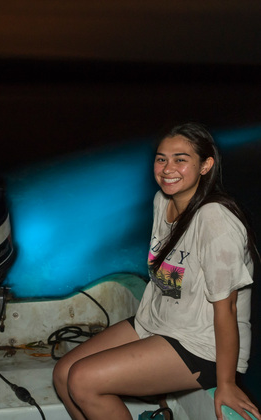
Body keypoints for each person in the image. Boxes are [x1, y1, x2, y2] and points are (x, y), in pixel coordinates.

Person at [53, 122, 260, 420]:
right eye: (161, 158)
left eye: (180, 159)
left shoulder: (215, 221)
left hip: (202, 343)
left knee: (83, 380)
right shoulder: (162, 202)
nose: (167, 168)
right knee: (63, 373)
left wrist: (226, 383)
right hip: (160, 323)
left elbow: (226, 308)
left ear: (205, 165)